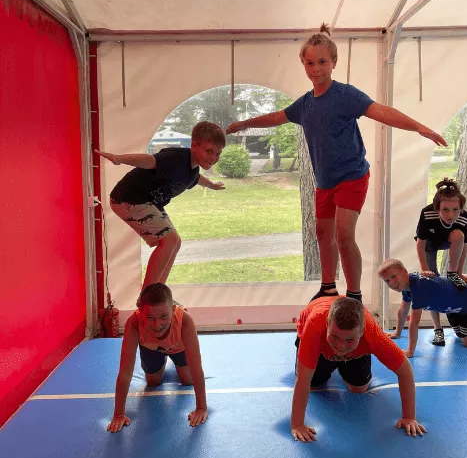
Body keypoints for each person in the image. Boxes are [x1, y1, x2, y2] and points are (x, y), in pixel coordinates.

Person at [226, 24, 446, 304]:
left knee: (343, 236)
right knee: (322, 234)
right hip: (325, 181)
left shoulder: (345, 95)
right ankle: (328, 287)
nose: (316, 68)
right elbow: (276, 117)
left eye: (322, 62)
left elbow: (380, 111)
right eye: (310, 63)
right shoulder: (305, 104)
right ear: (303, 64)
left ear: (333, 62)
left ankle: (354, 294)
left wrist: (418, 127)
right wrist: (244, 123)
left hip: (352, 176)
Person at [96, 121, 225, 294]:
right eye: (209, 151)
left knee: (175, 242)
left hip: (148, 201)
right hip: (128, 198)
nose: (214, 157)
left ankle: (159, 293)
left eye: (218, 153)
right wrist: (120, 158)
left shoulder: (193, 170)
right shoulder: (177, 158)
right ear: (194, 146)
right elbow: (150, 161)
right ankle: (148, 296)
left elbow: (198, 179)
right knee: (169, 240)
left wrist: (212, 186)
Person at [291, 296, 426, 442]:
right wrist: (297, 425)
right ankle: (338, 357)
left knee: (359, 389)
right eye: (335, 336)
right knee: (313, 384)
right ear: (327, 325)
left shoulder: (372, 335)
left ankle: (342, 360)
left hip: (353, 349)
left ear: (361, 332)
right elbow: (303, 379)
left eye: (349, 340)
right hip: (321, 345)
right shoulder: (314, 326)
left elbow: (405, 371)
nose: (341, 346)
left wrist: (409, 417)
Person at [107, 283, 207, 433]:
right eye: (150, 317)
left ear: (173, 309)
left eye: (163, 316)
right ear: (140, 312)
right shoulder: (134, 324)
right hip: (151, 348)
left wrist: (201, 408)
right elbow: (125, 372)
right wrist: (118, 414)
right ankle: (162, 361)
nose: (157, 324)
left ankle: (174, 361)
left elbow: (196, 367)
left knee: (188, 380)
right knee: (153, 382)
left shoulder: (184, 321)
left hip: (178, 347)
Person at [390, 179, 467, 347]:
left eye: (455, 210)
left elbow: (464, 247)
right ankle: (438, 330)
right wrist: (425, 269)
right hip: (430, 244)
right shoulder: (427, 214)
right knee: (431, 284)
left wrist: (458, 272)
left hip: (451, 240)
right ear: (437, 208)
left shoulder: (464, 218)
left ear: (461, 209)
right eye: (445, 210)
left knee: (459, 235)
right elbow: (420, 243)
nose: (451, 215)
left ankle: (452, 272)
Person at [378, 258, 467, 358]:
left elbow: (414, 323)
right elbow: (402, 311)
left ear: (404, 272)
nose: (391, 283)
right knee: (463, 333)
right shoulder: (407, 286)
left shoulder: (419, 287)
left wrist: (410, 351)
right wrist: (397, 333)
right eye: (387, 280)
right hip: (455, 307)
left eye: (393, 276)